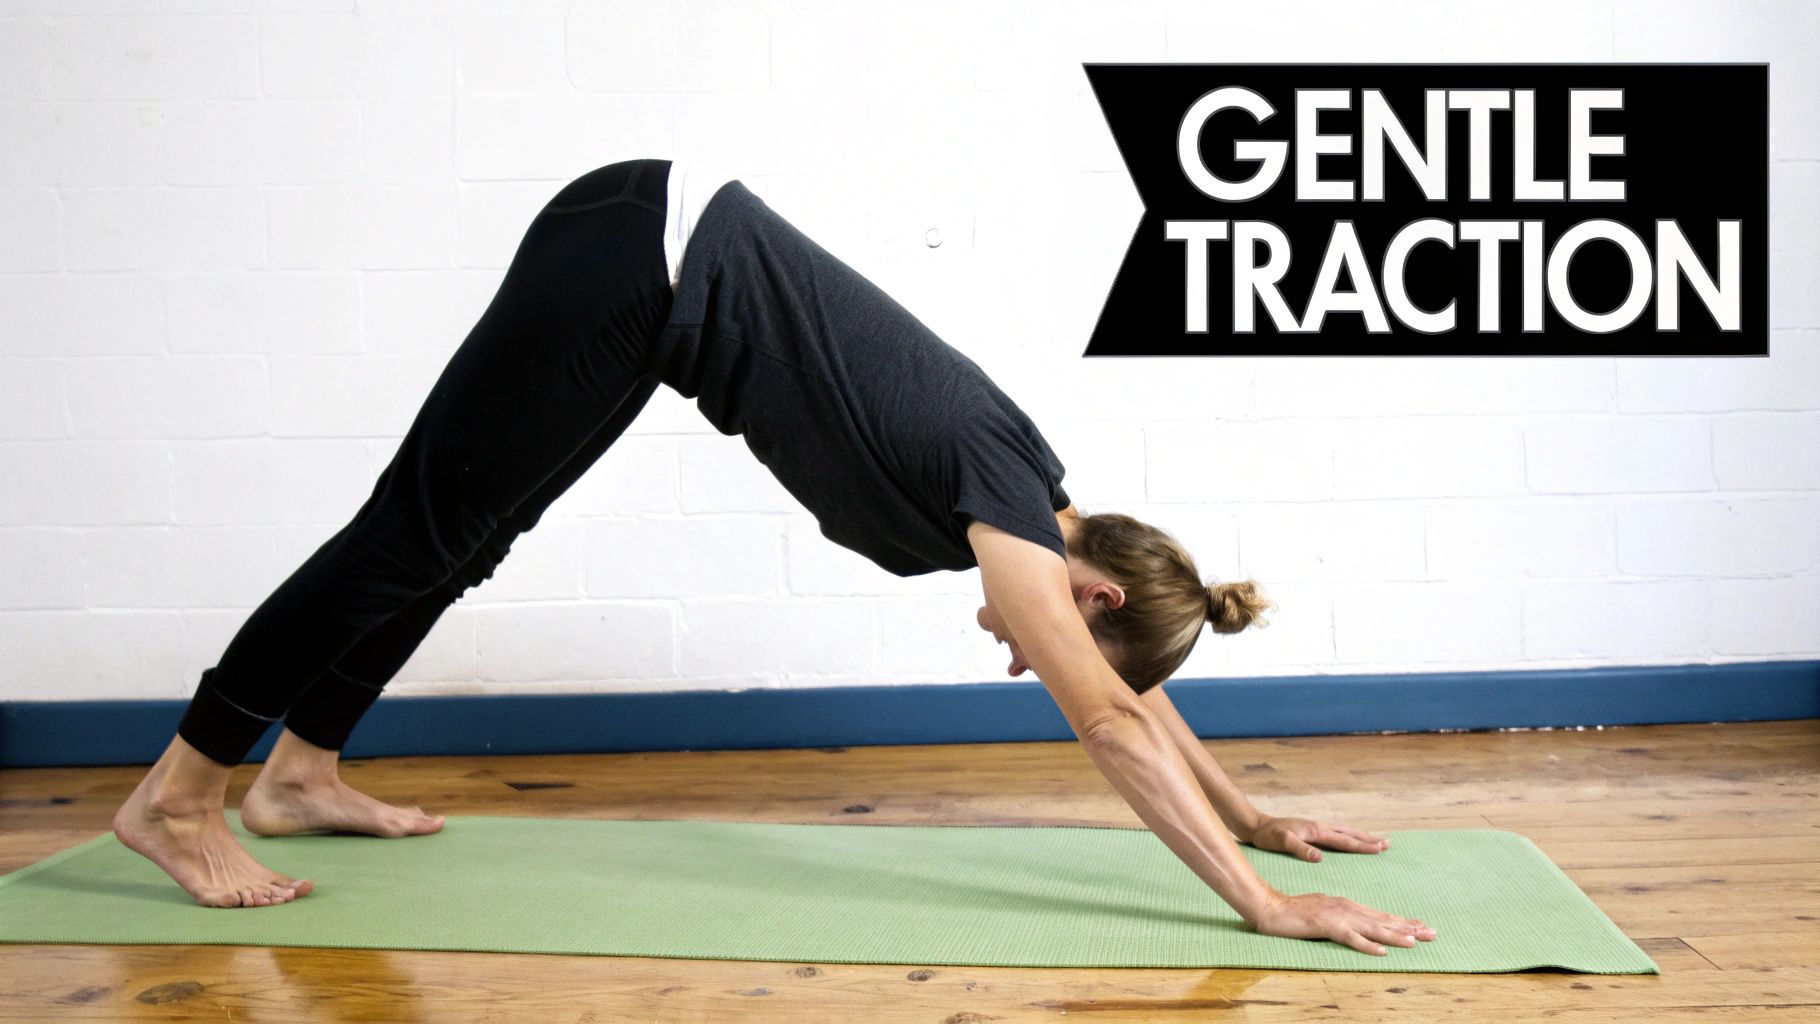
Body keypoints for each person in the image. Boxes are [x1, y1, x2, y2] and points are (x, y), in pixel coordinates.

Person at [112, 157, 1436, 957]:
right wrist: (1259, 901)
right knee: (413, 531)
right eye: (1048, 651)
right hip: (640, 253)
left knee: (460, 539)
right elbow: (1113, 720)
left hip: (647, 276)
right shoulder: (1016, 514)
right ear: (1085, 591)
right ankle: (180, 797)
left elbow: (1127, 691)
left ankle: (299, 775)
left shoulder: (1039, 505)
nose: (1023, 657)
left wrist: (1251, 807)